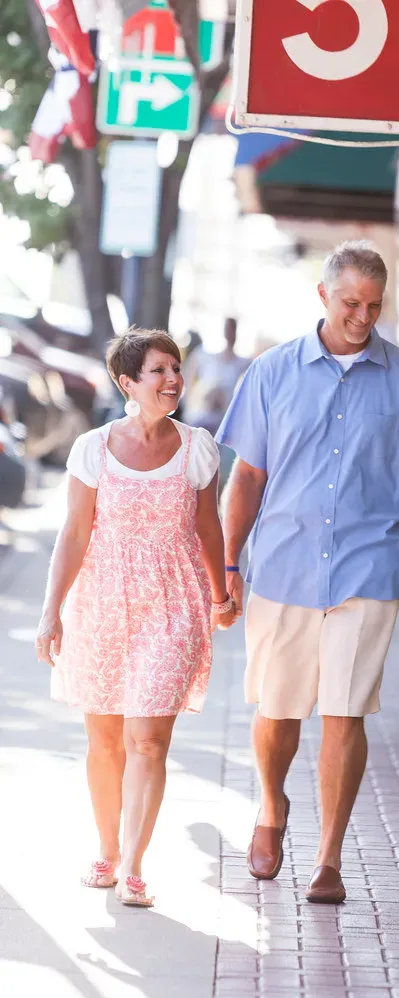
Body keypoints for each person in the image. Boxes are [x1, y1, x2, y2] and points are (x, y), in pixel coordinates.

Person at [216, 241, 399, 904]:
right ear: (323, 296)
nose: (362, 316)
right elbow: (246, 476)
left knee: (344, 712)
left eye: (373, 305)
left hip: (370, 566)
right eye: (351, 302)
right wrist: (227, 562)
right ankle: (271, 808)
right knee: (277, 710)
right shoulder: (271, 373)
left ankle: (328, 859)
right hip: (283, 565)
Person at [35, 327, 236, 907]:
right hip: (102, 599)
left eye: (176, 368)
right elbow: (74, 533)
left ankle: (136, 866)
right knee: (105, 739)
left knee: (148, 738)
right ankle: (108, 849)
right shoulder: (93, 449)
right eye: (159, 371)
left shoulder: (198, 448)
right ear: (128, 382)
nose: (173, 379)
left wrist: (221, 596)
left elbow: (207, 527)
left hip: (174, 603)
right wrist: (52, 613)